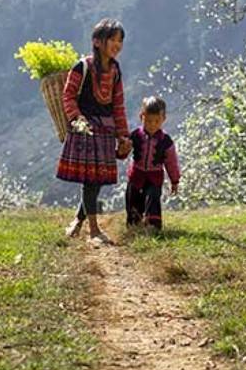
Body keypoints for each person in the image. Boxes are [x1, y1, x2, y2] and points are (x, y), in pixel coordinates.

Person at [57, 18, 132, 243]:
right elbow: (68, 96)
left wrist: (123, 134)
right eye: (113, 39)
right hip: (86, 131)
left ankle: (78, 222)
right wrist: (77, 119)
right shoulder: (83, 67)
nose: (117, 45)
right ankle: (94, 229)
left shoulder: (115, 70)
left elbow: (118, 104)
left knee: (96, 181)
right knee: (90, 180)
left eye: (120, 41)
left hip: (106, 132)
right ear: (97, 42)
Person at [125, 95, 180, 235]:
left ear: (163, 119)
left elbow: (171, 162)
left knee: (153, 198)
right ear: (141, 117)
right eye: (148, 121)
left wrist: (174, 180)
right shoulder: (135, 135)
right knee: (133, 199)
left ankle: (152, 226)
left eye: (157, 121)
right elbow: (124, 151)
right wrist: (120, 150)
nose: (152, 125)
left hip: (155, 176)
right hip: (136, 174)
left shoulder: (165, 141)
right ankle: (134, 225)